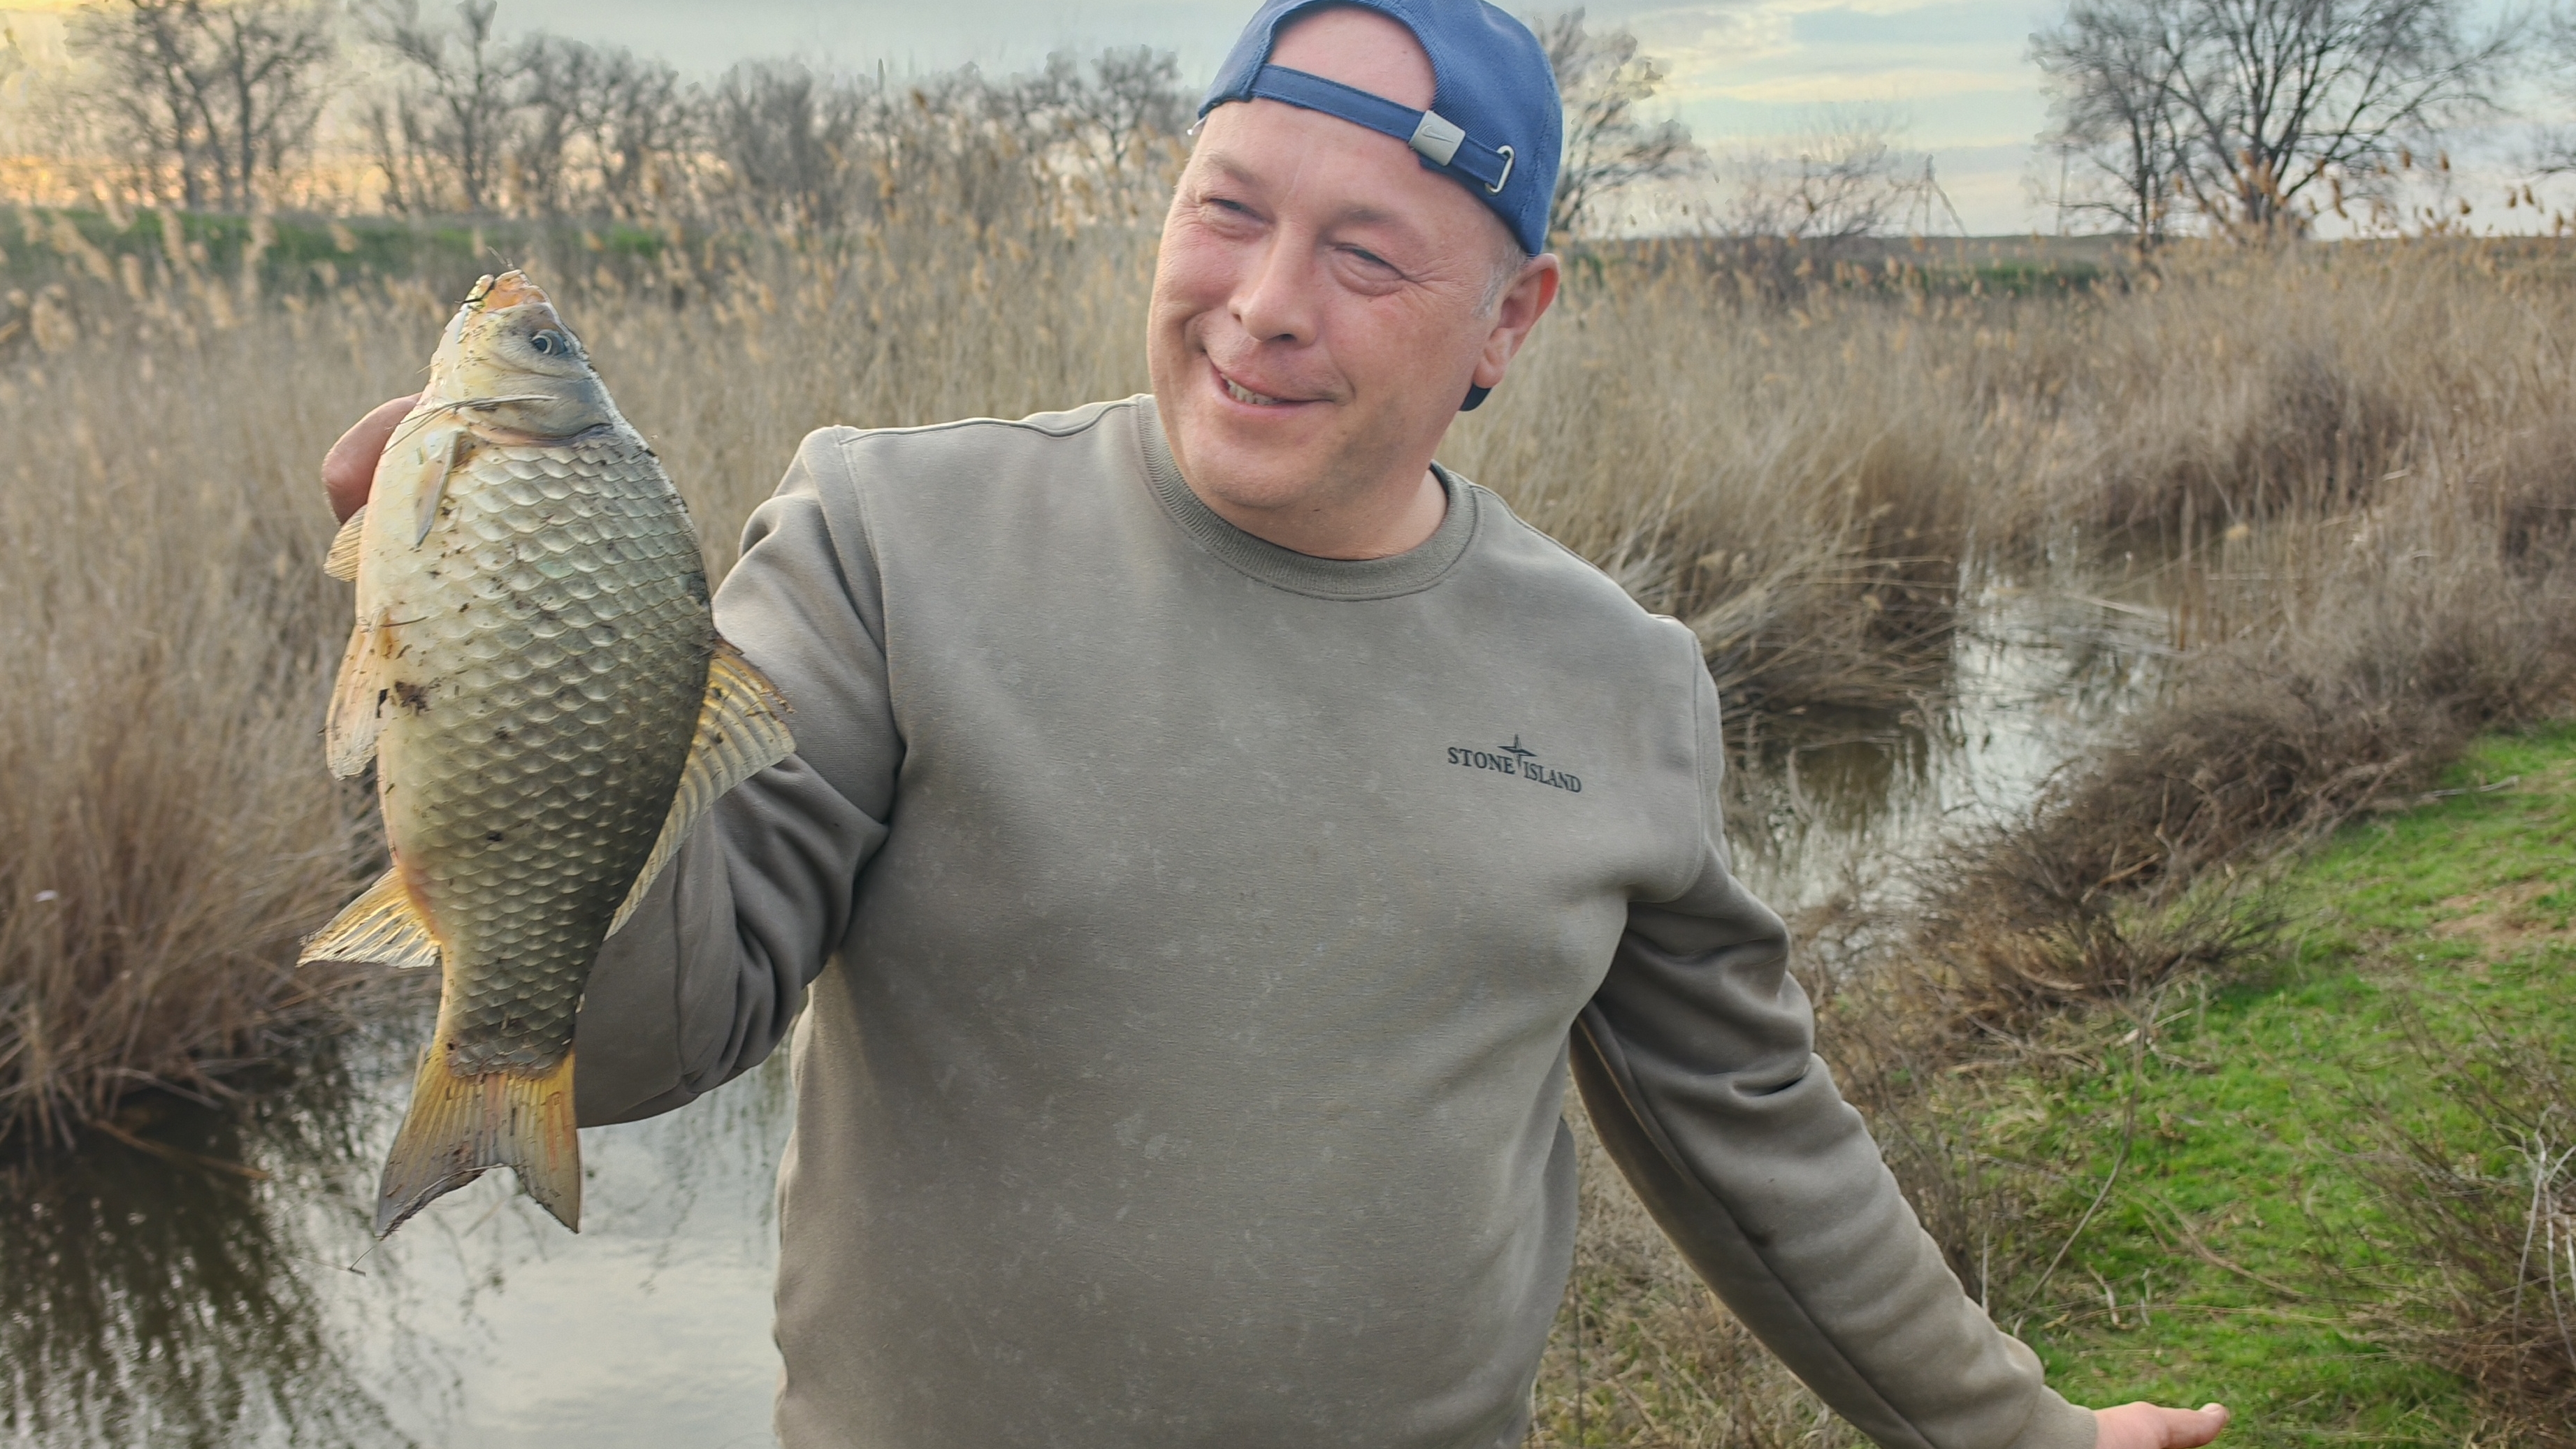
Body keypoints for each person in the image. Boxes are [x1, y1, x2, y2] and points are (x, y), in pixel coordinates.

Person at [322, 3, 2236, 1446]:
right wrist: (505, 692)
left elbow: (1753, 1129)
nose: (1262, 304)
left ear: (1509, 322)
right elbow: (649, 1034)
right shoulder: (886, 538)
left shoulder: (1617, 678)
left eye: (1368, 256)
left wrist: (2028, 1437)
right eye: (1225, 213)